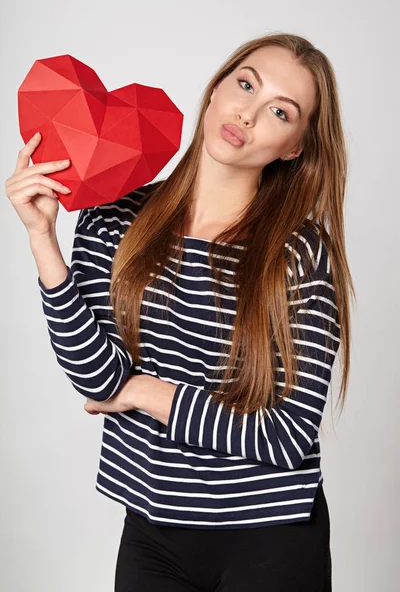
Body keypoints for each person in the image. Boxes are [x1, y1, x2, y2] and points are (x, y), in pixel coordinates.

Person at [5, 32, 354, 591]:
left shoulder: (298, 251)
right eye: (245, 84)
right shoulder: (115, 217)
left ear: (294, 146)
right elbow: (97, 378)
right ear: (215, 88)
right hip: (151, 528)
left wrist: (147, 392)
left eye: (280, 111)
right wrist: (43, 238)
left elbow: (286, 434)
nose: (248, 111)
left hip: (272, 535)